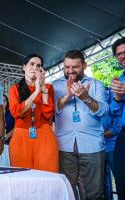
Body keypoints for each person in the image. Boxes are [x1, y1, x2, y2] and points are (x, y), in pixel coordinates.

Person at [52, 49, 108, 199]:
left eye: (75, 67)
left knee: (94, 192)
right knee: (66, 190)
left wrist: (86, 98)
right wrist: (67, 96)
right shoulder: (55, 86)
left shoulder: (96, 85)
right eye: (67, 67)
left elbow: (103, 110)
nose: (70, 71)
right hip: (64, 144)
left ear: (84, 65)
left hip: (92, 145)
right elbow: (52, 110)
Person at [8, 54, 58, 172]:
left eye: (38, 66)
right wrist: (36, 92)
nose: (35, 68)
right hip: (21, 136)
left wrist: (42, 88)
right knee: (22, 178)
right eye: (32, 64)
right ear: (24, 67)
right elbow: (16, 112)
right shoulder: (14, 88)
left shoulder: (48, 88)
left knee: (47, 175)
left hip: (44, 135)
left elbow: (48, 114)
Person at [109, 37, 125, 200]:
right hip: (124, 134)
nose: (123, 56)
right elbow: (114, 112)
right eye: (119, 54)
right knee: (121, 180)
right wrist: (118, 98)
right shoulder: (120, 79)